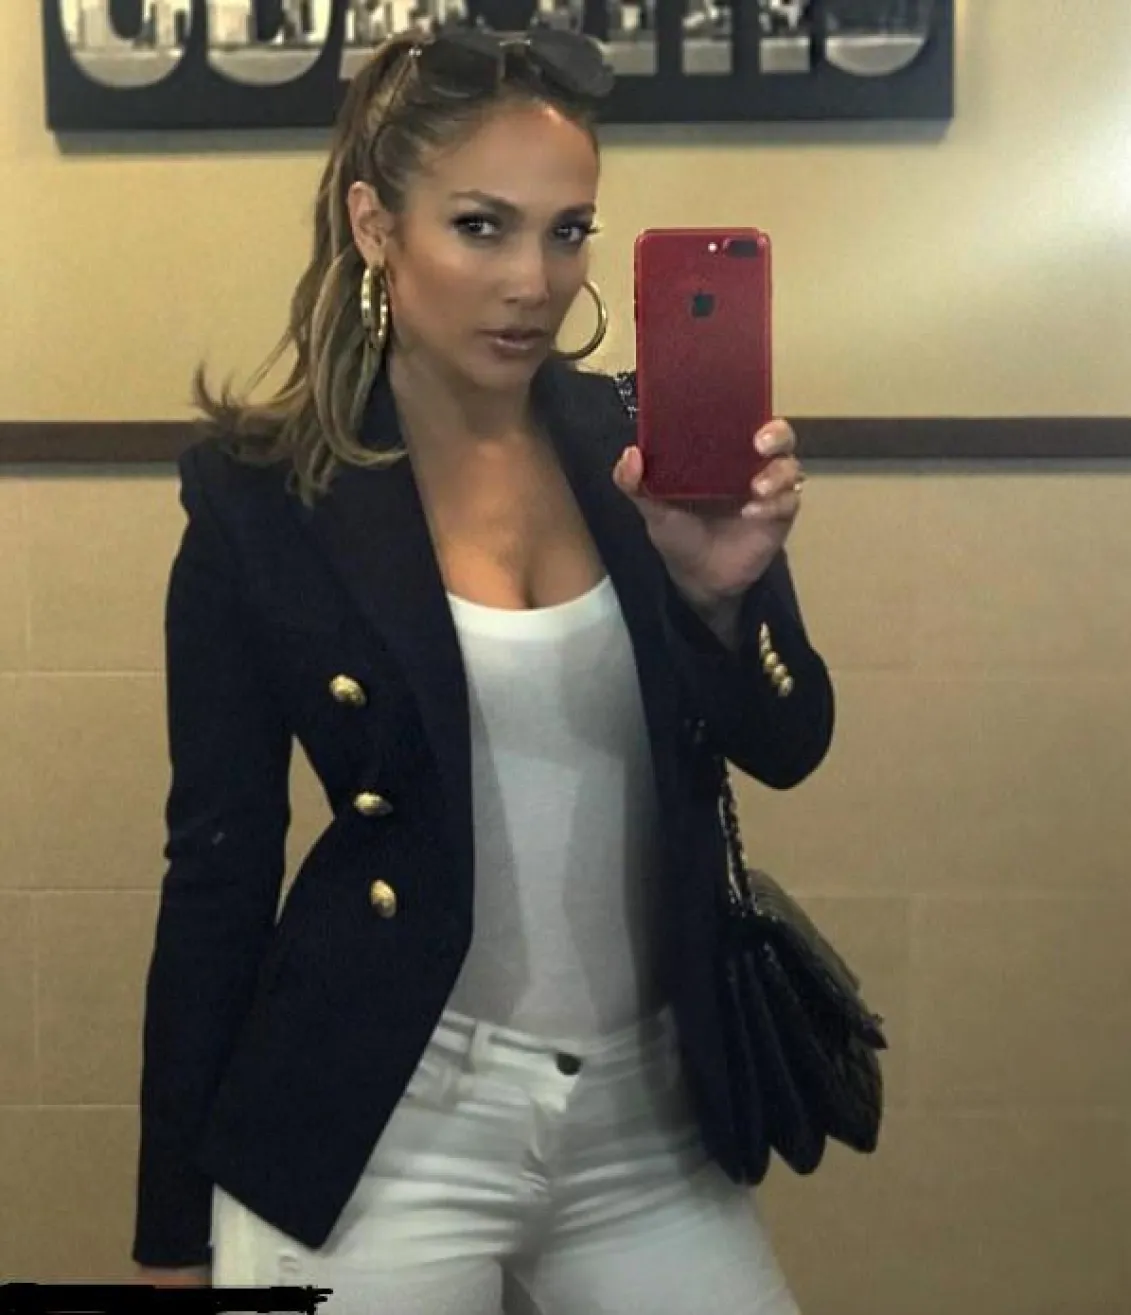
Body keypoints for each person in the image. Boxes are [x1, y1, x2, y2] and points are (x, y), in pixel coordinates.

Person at [131, 25, 834, 1314]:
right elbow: (217, 869)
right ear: (375, 224)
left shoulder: (643, 446)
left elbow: (788, 746)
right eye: (480, 226)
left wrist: (722, 600)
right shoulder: (262, 498)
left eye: (567, 232)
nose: (532, 280)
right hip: (380, 1115)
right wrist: (170, 1226)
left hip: (647, 1119)